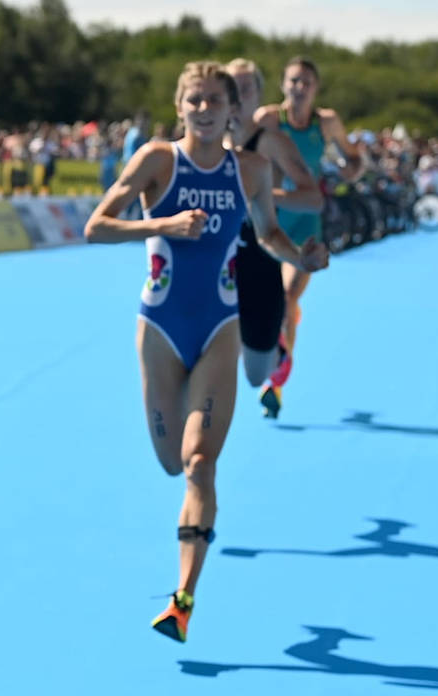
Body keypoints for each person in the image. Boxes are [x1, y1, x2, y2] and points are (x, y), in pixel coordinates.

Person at [84, 60, 326, 643]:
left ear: (232, 110)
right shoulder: (158, 161)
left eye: (215, 99)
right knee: (170, 460)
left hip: (221, 323)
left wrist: (301, 258)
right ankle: (184, 583)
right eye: (194, 99)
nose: (205, 108)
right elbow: (97, 225)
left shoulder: (252, 169)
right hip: (161, 328)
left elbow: (268, 234)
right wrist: (162, 224)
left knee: (199, 462)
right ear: (180, 106)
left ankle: (183, 599)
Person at [249, 56, 363, 419]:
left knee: (287, 295)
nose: (300, 88)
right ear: (283, 85)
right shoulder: (268, 119)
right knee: (274, 303)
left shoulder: (326, 122)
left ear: (316, 88)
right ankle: (282, 331)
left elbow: (354, 159)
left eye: (306, 82)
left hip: (307, 223)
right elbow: (238, 147)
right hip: (271, 221)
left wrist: (351, 171)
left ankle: (275, 384)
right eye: (294, 81)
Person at [224, 58, 325, 421]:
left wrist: (263, 196)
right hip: (220, 261)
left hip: (268, 244)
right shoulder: (204, 141)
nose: (236, 98)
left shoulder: (270, 141)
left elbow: (313, 197)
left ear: (258, 97)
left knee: (256, 370)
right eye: (229, 89)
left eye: (245, 89)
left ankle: (278, 359)